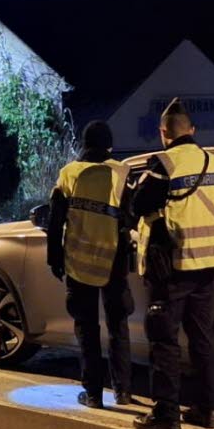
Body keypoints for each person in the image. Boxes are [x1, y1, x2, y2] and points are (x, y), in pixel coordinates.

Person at [130, 98, 214, 429]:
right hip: (210, 260)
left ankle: (166, 415)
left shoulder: (164, 162)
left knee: (164, 338)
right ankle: (208, 410)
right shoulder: (213, 161)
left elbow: (139, 203)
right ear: (193, 130)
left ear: (163, 133)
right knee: (203, 337)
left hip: (174, 263)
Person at [47, 120, 133, 409]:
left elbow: (55, 220)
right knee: (118, 325)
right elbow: (131, 219)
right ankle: (123, 391)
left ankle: (93, 393)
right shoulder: (122, 173)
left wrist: (54, 259)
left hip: (78, 262)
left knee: (87, 327)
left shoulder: (69, 173)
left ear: (84, 144)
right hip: (114, 261)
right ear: (109, 145)